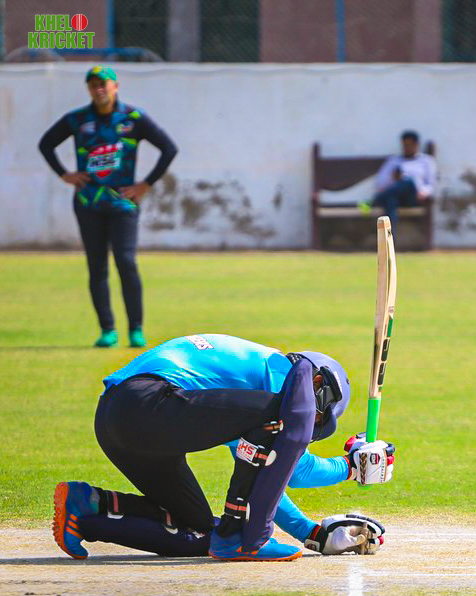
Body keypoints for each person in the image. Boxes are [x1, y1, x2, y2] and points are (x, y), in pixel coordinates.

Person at [52, 334, 395, 561]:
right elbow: (295, 469)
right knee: (279, 420)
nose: (309, 420)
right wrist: (350, 467)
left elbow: (264, 474)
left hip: (119, 419)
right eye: (316, 412)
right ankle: (239, 540)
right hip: (144, 403)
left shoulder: (257, 393)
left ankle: (87, 508)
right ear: (317, 382)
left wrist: (313, 534)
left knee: (198, 532)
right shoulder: (281, 376)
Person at [38, 66, 178, 348]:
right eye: (93, 85)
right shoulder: (77, 119)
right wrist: (65, 175)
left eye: (103, 84)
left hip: (123, 204)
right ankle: (108, 330)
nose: (99, 89)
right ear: (89, 89)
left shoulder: (133, 119)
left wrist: (145, 184)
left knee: (126, 262)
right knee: (97, 266)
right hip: (88, 203)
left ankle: (136, 329)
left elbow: (169, 148)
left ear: (116, 86)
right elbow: (46, 144)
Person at [370, 130, 437, 236]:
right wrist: (393, 178)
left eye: (410, 145)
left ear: (417, 145)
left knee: (408, 182)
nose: (407, 148)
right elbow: (380, 184)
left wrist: (423, 192)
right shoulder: (394, 161)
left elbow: (431, 184)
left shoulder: (426, 161)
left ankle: (375, 200)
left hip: (414, 197)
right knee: (391, 201)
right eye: (405, 145)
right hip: (396, 197)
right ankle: (391, 238)